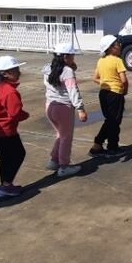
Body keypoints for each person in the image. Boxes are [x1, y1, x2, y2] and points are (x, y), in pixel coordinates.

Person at [0, 56, 29, 197]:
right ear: (4, 73)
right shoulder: (9, 91)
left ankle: (5, 184)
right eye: (15, 70)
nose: (19, 72)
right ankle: (6, 185)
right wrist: (25, 115)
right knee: (18, 154)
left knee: (5, 158)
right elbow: (16, 113)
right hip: (5, 131)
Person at [42, 42, 87, 177]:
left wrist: (71, 66)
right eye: (72, 55)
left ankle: (54, 160)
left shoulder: (47, 68)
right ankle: (64, 166)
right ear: (66, 56)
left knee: (60, 135)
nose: (74, 58)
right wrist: (80, 108)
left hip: (50, 106)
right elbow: (73, 91)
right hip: (63, 108)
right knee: (66, 137)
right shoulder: (67, 71)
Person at [91, 34, 128, 157]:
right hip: (115, 93)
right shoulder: (117, 61)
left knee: (110, 120)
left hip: (103, 93)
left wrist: (106, 83)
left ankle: (98, 145)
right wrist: (124, 90)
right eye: (117, 44)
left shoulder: (101, 60)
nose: (120, 46)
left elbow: (95, 78)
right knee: (114, 122)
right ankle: (112, 148)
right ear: (111, 48)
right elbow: (123, 80)